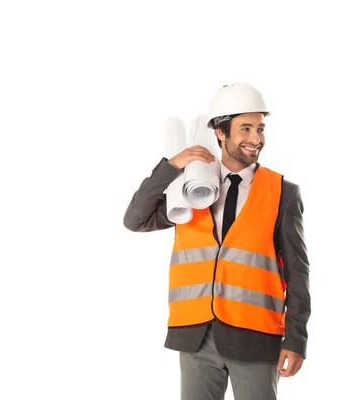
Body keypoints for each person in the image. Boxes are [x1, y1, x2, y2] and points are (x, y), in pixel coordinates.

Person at [123, 82, 311, 400]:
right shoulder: (190, 186)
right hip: (195, 335)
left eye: (260, 129)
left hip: (255, 335)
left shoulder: (282, 192)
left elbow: (298, 273)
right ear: (220, 132)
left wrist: (295, 339)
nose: (256, 139)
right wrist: (170, 167)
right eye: (246, 128)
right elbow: (135, 220)